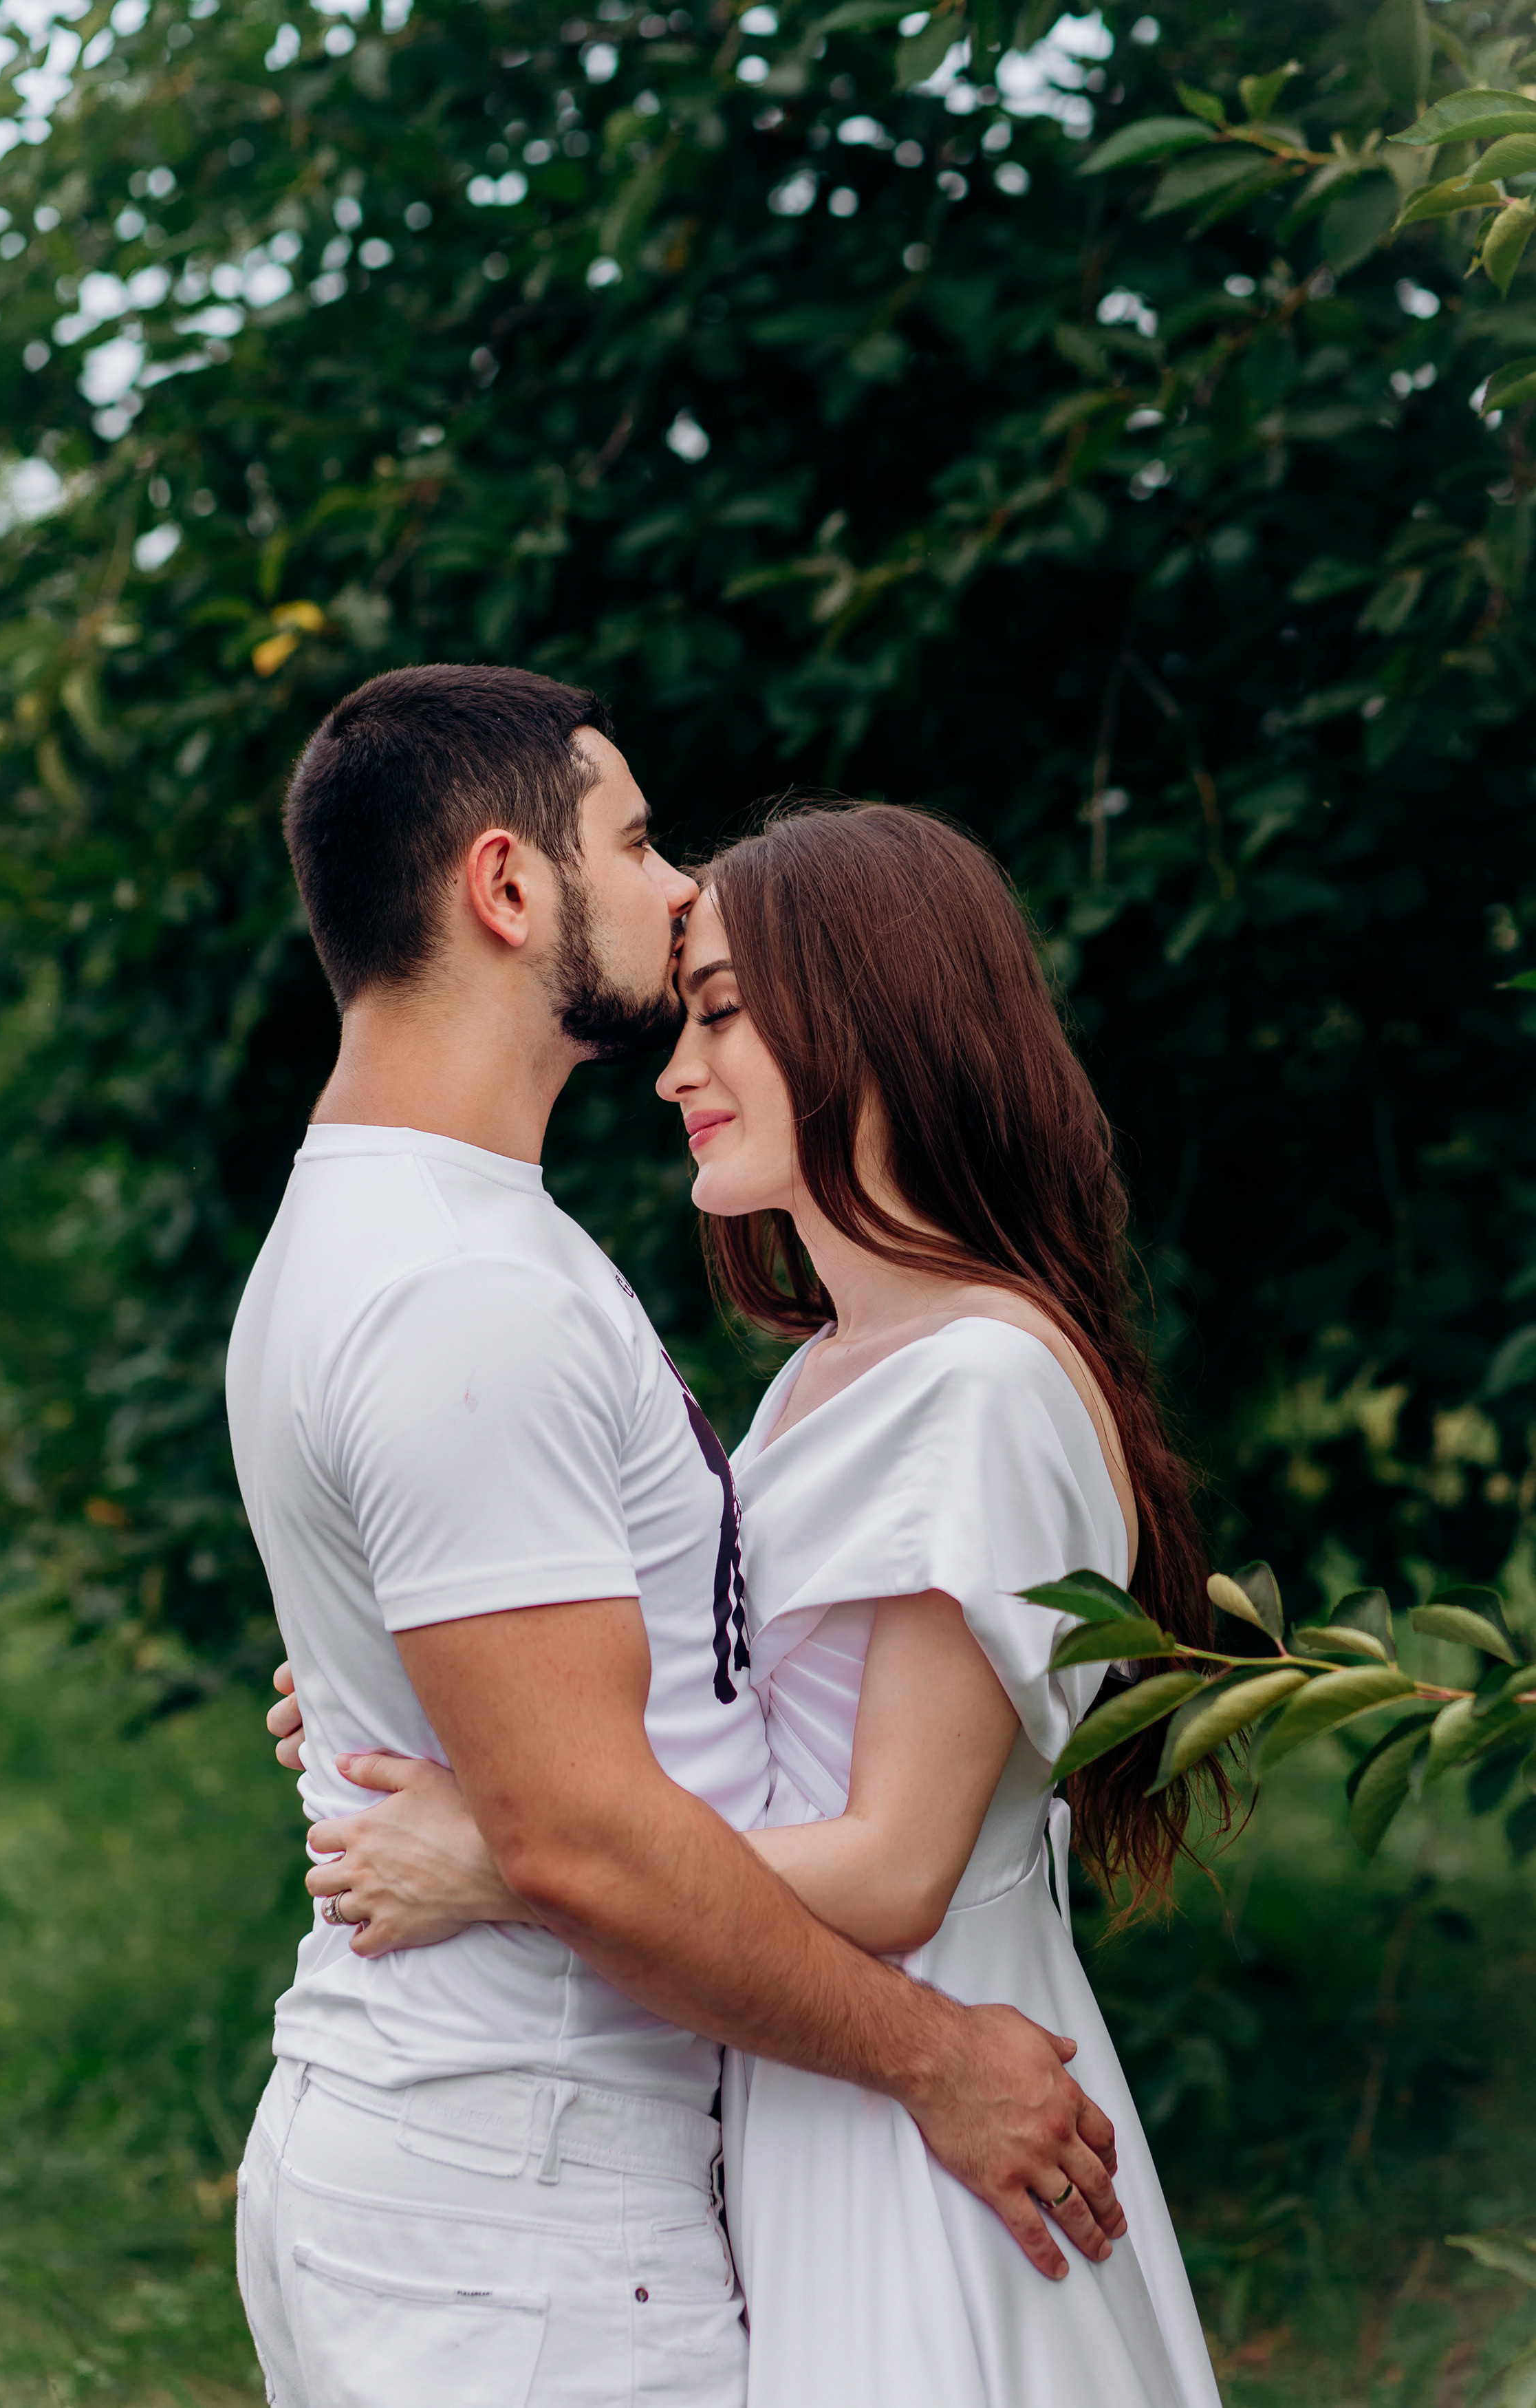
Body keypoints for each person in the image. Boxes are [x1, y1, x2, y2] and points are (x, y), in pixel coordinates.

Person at [226, 667, 1127, 2408]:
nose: (679, 882)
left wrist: (415, 1721)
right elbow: (582, 1839)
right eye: (635, 839)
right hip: (518, 2208)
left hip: (539, 2168)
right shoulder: (462, 1287)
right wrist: (944, 2061)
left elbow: (608, 1702)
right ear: (508, 888)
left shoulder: (419, 1233)